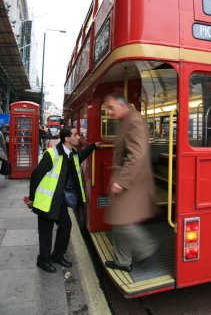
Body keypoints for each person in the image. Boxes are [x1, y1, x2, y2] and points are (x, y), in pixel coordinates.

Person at [25, 126, 98, 273]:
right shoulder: (52, 154)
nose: (79, 137)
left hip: (60, 200)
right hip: (46, 200)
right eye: (75, 135)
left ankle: (57, 255)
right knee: (46, 231)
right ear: (67, 138)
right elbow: (36, 176)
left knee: (66, 226)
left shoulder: (72, 154)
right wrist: (32, 199)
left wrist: (94, 146)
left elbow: (81, 157)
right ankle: (43, 260)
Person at [104, 94, 157, 272]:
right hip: (125, 179)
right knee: (118, 221)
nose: (109, 112)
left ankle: (146, 250)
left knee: (121, 222)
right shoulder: (126, 120)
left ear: (122, 105)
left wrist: (121, 182)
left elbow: (137, 155)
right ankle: (123, 262)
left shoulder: (134, 120)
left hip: (131, 182)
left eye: (111, 108)